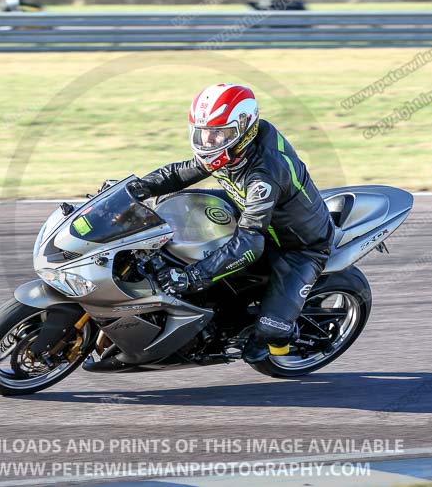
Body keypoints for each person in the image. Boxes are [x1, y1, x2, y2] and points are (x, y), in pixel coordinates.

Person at [127, 83, 334, 364]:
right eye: (203, 133)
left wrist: (193, 276)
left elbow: (251, 243)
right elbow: (183, 172)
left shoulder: (264, 175)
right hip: (249, 210)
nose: (208, 142)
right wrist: (135, 188)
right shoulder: (234, 147)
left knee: (268, 335)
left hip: (297, 247)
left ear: (244, 130)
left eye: (217, 134)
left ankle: (282, 340)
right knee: (173, 202)